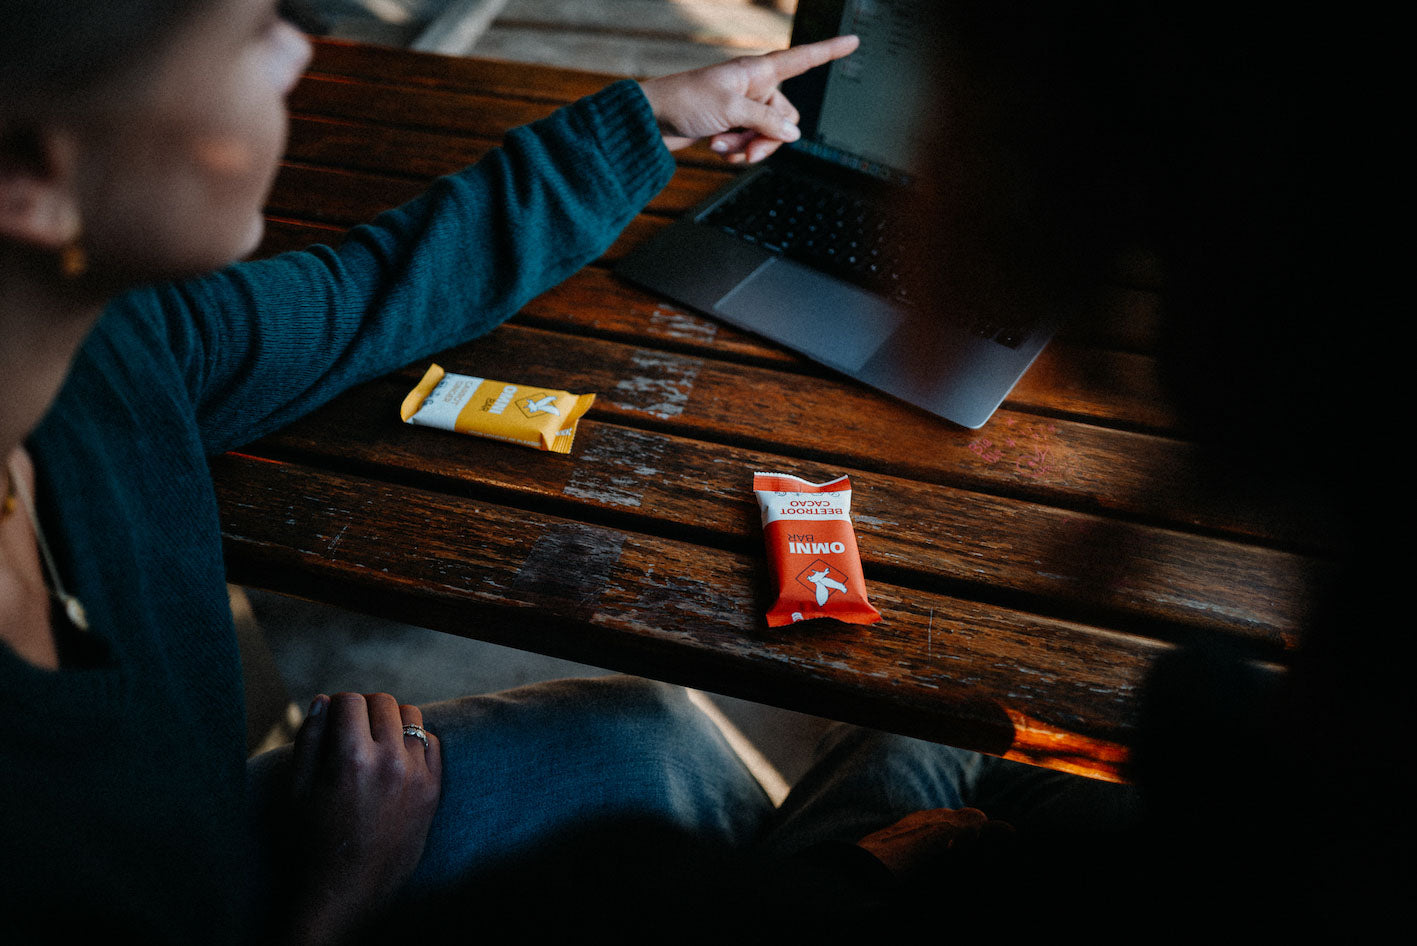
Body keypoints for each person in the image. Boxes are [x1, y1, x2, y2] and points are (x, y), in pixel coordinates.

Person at [0, 1, 858, 941]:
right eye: (251, 31)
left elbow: (369, 291)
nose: (302, 50)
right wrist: (339, 894)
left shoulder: (117, 343)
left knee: (654, 746)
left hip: (195, 835)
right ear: (33, 175)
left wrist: (647, 118)